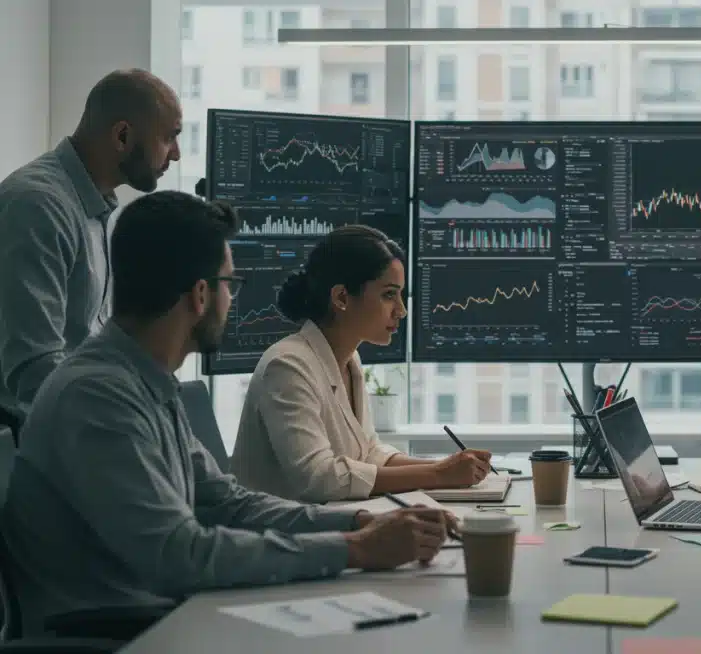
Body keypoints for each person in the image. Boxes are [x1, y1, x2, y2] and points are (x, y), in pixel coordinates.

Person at [2, 192, 450, 637]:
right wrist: (354, 549)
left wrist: (360, 522)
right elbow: (181, 557)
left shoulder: (146, 383)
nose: (231, 301)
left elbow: (227, 502)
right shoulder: (98, 396)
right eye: (229, 285)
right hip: (117, 634)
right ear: (201, 294)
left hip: (163, 617)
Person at [231, 225, 493, 503]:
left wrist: (447, 467)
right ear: (342, 297)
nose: (401, 310)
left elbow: (368, 453)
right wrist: (439, 474)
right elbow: (318, 477)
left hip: (326, 527)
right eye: (388, 295)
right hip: (279, 538)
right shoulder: (287, 365)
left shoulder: (348, 360)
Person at [0, 69, 182, 421]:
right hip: (35, 440)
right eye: (169, 137)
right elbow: (35, 368)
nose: (174, 154)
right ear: (123, 135)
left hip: (74, 421)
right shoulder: (38, 206)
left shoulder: (95, 208)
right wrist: (116, 425)